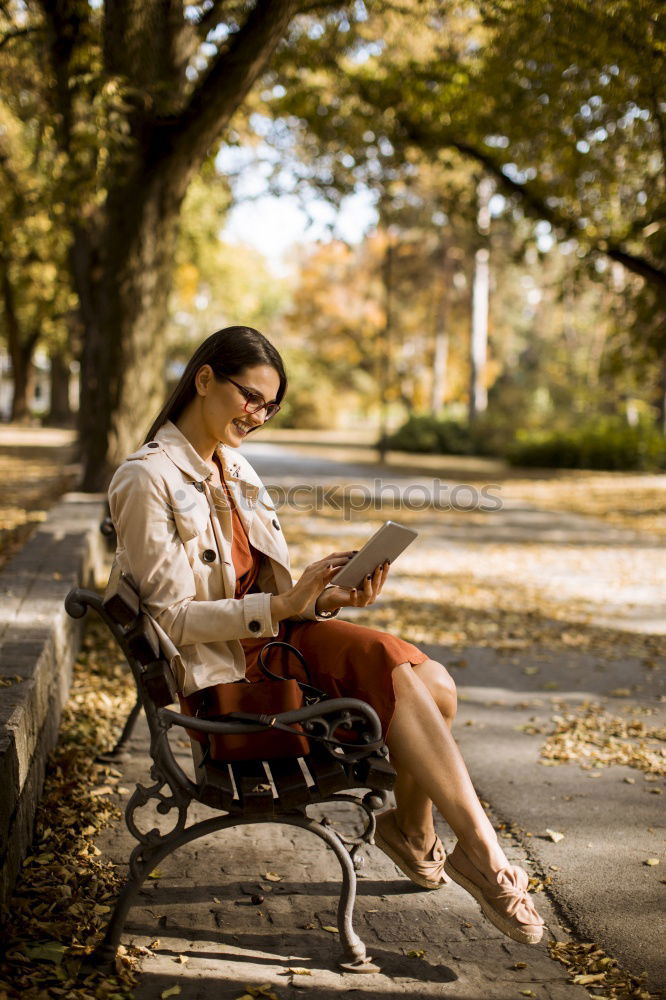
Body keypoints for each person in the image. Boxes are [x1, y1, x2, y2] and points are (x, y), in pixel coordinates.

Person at [108, 326, 544, 946]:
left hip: (279, 649)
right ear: (203, 379)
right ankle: (489, 861)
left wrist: (329, 597)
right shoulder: (145, 477)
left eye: (270, 406)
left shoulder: (234, 468)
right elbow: (171, 617)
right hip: (232, 682)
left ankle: (415, 835)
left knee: (436, 683)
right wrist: (284, 604)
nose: (258, 415)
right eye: (250, 397)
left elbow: (260, 589)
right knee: (414, 685)